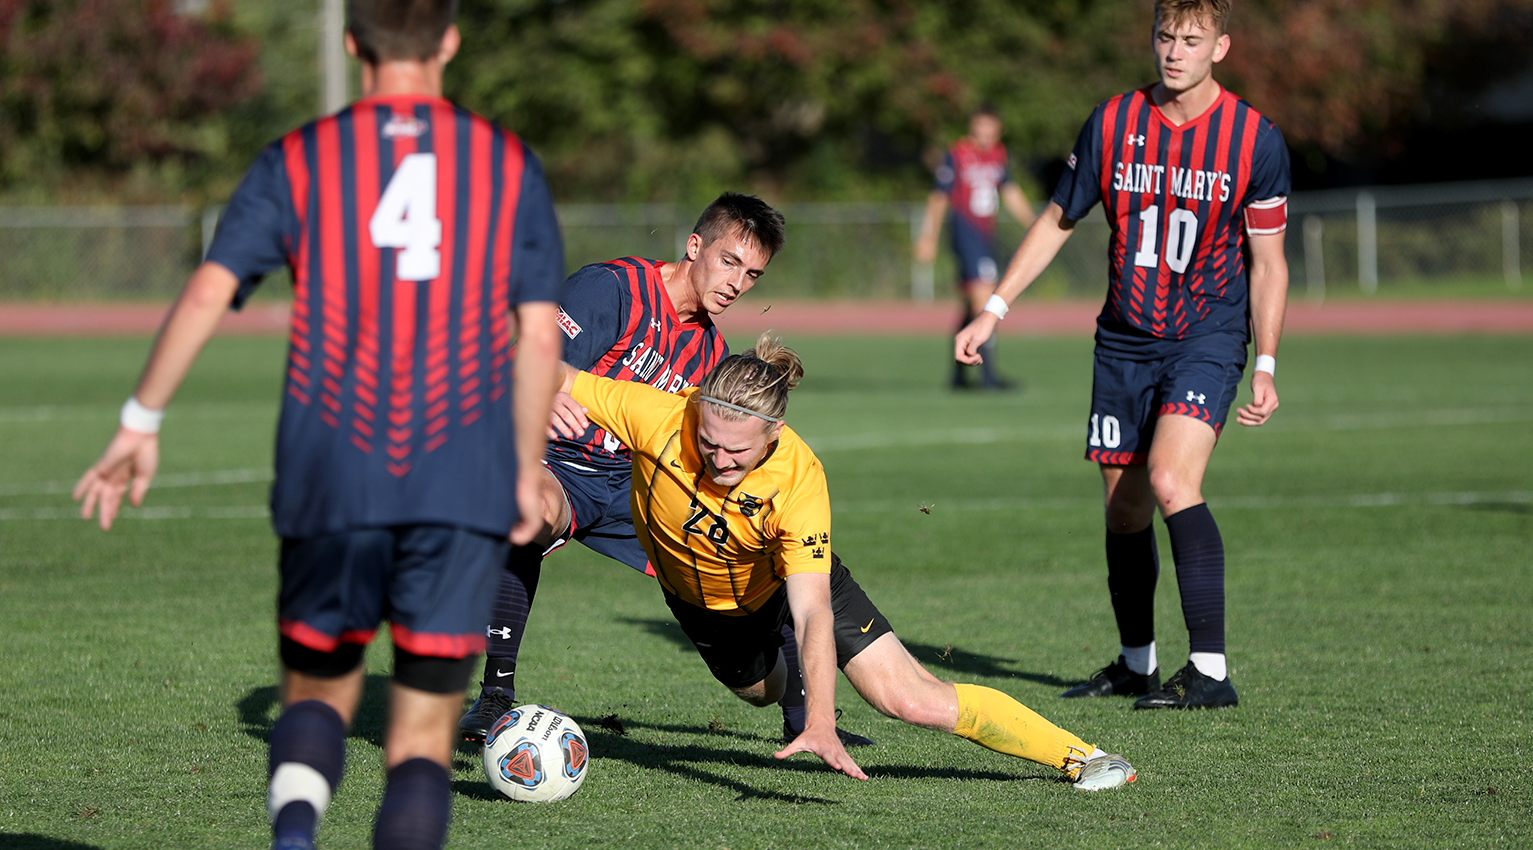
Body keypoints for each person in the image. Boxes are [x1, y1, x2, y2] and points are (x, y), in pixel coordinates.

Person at [73, 3, 565, 848]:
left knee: (317, 694)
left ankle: (295, 833)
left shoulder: (299, 158)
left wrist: (138, 420)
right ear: (449, 40)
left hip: (331, 472)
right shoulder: (504, 164)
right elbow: (535, 329)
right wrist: (524, 467)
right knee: (417, 739)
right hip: (458, 481)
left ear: (351, 42)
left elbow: (206, 292)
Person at [556, 331, 1136, 790]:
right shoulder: (654, 414)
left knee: (907, 698)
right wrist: (549, 398)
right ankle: (781, 683)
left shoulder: (800, 480)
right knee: (759, 691)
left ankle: (1082, 756)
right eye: (707, 441)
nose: (718, 459)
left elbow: (809, 611)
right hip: (706, 606)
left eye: (737, 449)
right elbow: (539, 366)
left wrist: (823, 721)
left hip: (796, 581)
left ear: (774, 433)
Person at [955, 0, 1290, 710]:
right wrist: (994, 309)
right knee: (1124, 511)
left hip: (1207, 336)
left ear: (1221, 47)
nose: (1175, 51)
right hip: (1123, 339)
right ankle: (1137, 663)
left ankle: (1211, 672)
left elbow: (1269, 263)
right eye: (1165, 36)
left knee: (1171, 480)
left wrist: (1265, 362)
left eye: (1192, 40)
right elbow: (1056, 220)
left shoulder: (1254, 139)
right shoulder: (1112, 123)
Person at [458, 194, 873, 749]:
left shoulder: (711, 353)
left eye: (753, 274)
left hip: (637, 489)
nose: (737, 283)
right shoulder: (614, 290)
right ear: (695, 246)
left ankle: (802, 716)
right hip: (561, 468)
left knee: (757, 624)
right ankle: (495, 697)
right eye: (729, 262)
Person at [914, 105, 1038, 390]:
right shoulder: (957, 155)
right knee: (986, 297)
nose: (984, 135)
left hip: (986, 234)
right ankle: (988, 374)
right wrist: (928, 237)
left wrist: (1036, 225)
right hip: (965, 231)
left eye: (990, 130)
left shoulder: (998, 155)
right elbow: (938, 198)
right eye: (979, 129)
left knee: (973, 303)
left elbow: (1010, 191)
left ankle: (958, 374)